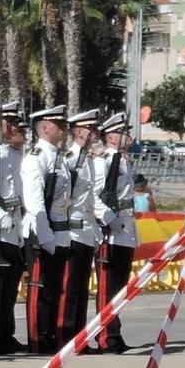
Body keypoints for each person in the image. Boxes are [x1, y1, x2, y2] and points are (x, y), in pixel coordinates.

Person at [21, 105, 72, 355]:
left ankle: (49, 334)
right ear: (44, 128)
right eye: (58, 125)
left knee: (54, 289)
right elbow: (34, 202)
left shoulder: (57, 157)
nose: (62, 129)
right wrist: (46, 237)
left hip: (59, 231)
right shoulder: (36, 157)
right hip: (43, 232)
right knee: (40, 288)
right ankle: (37, 338)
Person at [0, 109, 29, 357]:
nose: (16, 129)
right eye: (10, 124)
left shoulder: (14, 155)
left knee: (10, 287)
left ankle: (6, 333)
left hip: (14, 226)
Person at [58, 110, 103, 346]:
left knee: (82, 289)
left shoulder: (87, 160)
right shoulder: (70, 159)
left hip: (86, 229)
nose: (94, 133)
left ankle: (79, 335)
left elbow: (89, 200)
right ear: (78, 132)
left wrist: (94, 226)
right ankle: (67, 335)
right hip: (73, 230)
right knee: (71, 288)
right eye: (90, 129)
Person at [93, 114, 138, 353]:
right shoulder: (104, 162)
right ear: (110, 137)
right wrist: (110, 220)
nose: (127, 136)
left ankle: (115, 332)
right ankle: (105, 336)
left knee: (120, 288)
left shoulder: (123, 161)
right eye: (122, 132)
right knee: (107, 289)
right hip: (110, 232)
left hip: (125, 229)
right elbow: (94, 196)